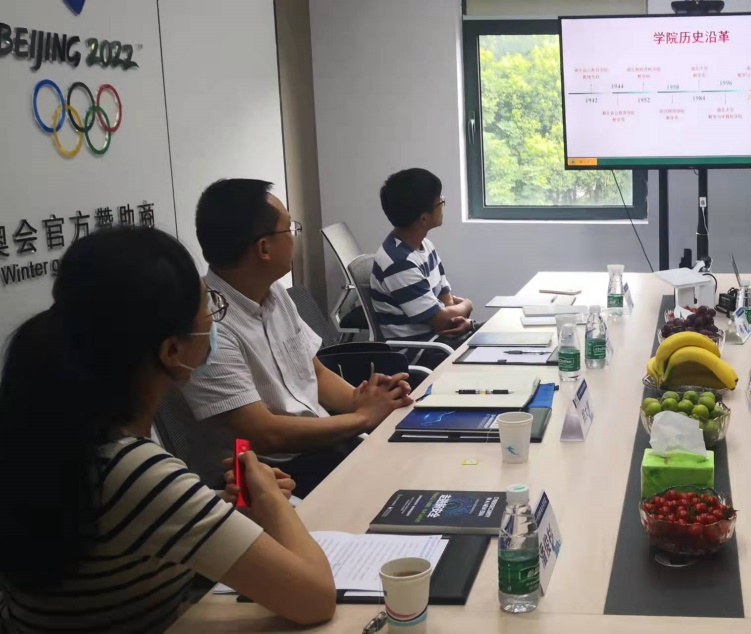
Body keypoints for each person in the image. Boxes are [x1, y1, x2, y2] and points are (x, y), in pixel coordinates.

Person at [0, 228, 336, 631]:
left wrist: (219, 507)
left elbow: (136, 529)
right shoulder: (132, 468)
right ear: (172, 350)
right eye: (209, 306)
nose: (215, 317)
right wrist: (268, 498)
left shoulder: (63, 436)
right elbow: (315, 599)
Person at [182, 179, 413, 498]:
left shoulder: (274, 292)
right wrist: (362, 418)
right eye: (289, 229)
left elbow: (314, 372)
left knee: (412, 462)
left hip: (323, 443)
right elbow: (266, 435)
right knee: (395, 490)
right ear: (264, 248)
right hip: (271, 474)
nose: (294, 238)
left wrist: (365, 401)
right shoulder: (210, 324)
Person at [371, 168, 475, 358]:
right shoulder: (398, 263)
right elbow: (440, 321)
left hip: (439, 341)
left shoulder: (425, 245)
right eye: (440, 202)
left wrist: (462, 321)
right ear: (424, 218)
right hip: (419, 351)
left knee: (494, 336)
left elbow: (446, 299)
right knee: (490, 346)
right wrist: (467, 305)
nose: (443, 204)